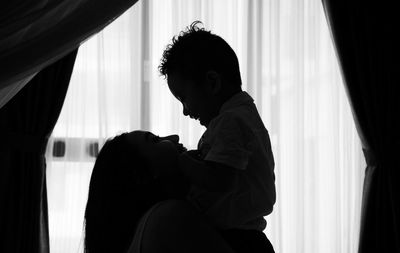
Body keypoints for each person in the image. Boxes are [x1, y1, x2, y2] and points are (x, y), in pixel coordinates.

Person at [159, 21, 276, 253]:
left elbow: (220, 180)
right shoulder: (237, 117)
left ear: (212, 82)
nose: (185, 111)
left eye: (184, 98)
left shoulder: (231, 121)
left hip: (239, 241)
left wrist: (183, 163)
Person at [84, 131, 237, 253]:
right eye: (155, 140)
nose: (174, 137)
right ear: (141, 174)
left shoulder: (152, 226)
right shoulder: (169, 216)